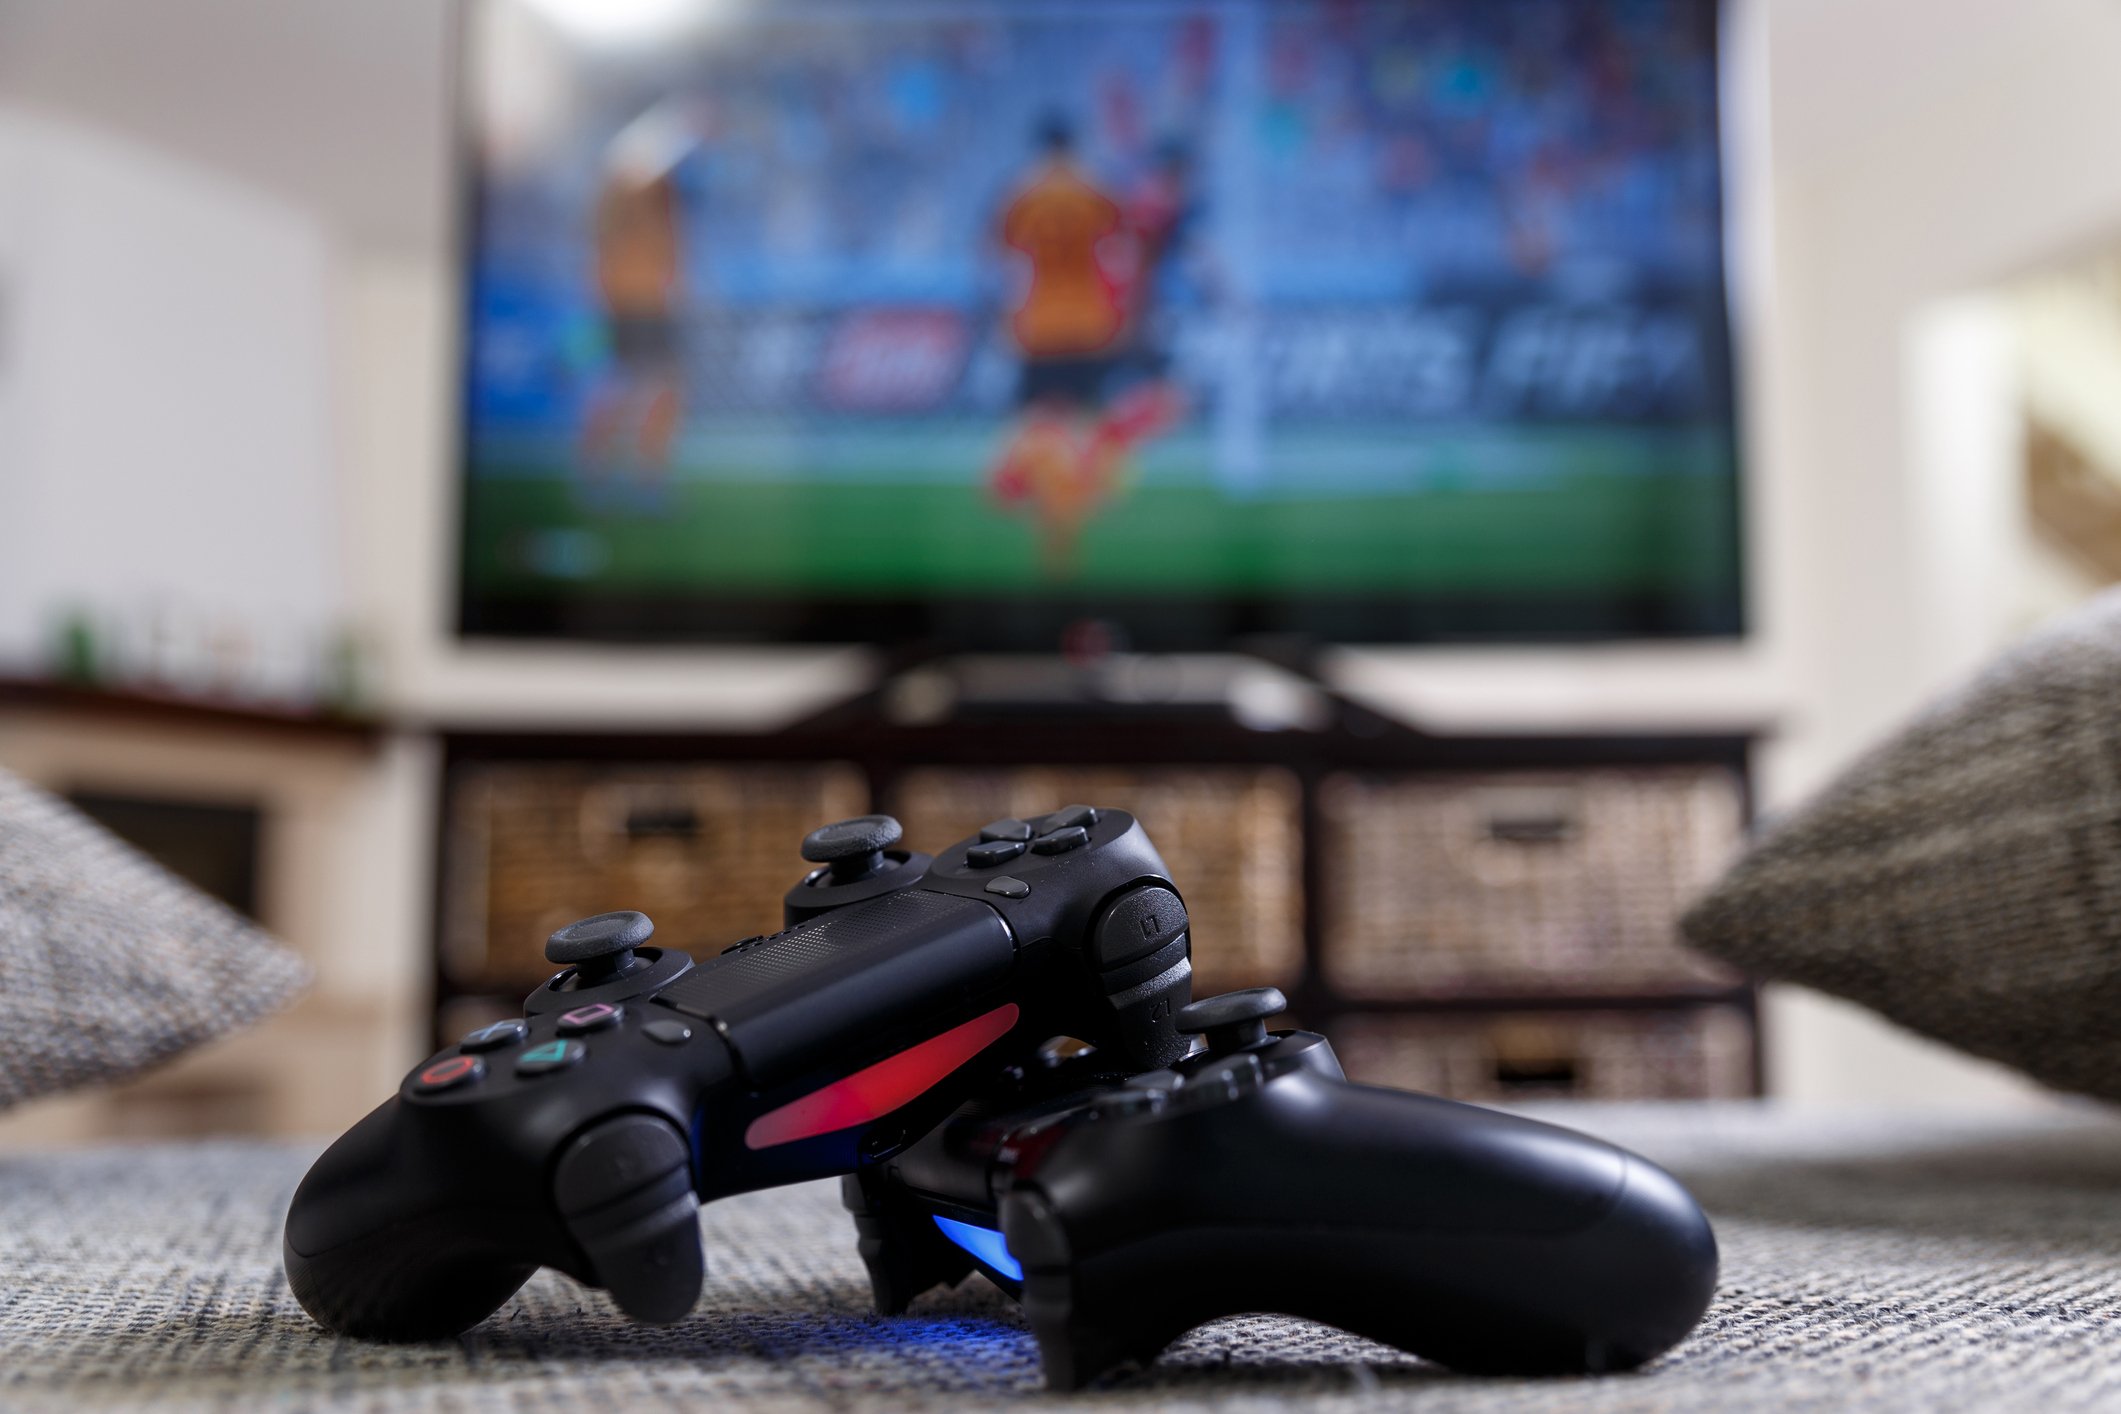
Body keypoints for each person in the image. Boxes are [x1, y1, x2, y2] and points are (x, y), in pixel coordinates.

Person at [989, 115, 1130, 576]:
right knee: (1088, 425)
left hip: (1041, 323)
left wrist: (1007, 319)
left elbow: (1006, 260)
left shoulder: (1022, 194)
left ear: (1041, 146)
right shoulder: (1096, 190)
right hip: (1088, 321)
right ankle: (1083, 509)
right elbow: (1118, 253)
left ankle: (1042, 515)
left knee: (1034, 423)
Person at [579, 104, 695, 507]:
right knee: (643, 387)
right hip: (637, 300)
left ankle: (629, 475)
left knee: (646, 388)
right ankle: (631, 477)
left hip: (643, 299)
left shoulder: (636, 189)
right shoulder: (634, 183)